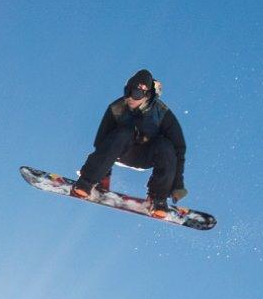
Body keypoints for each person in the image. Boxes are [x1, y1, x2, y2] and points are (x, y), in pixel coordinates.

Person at [76, 71, 187, 209]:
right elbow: (101, 143)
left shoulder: (162, 114)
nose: (129, 98)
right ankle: (87, 182)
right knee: (124, 132)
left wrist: (177, 185)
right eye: (127, 91)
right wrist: (100, 174)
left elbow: (178, 150)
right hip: (122, 152)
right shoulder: (117, 108)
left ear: (147, 95)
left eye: (135, 94)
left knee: (165, 146)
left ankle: (157, 198)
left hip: (148, 156)